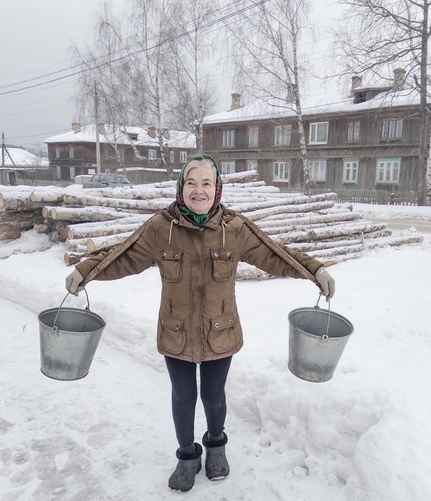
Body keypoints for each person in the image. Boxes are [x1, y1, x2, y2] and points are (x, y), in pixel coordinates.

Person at [65, 154, 335, 492]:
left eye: (206, 183)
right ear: (181, 187)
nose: (198, 190)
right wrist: (84, 271)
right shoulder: (161, 228)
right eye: (191, 182)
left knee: (213, 393)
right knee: (183, 395)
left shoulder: (234, 228)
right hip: (175, 331)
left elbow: (274, 253)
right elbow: (125, 255)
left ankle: (216, 445)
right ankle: (187, 455)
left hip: (219, 331)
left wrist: (315, 270)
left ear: (217, 187)